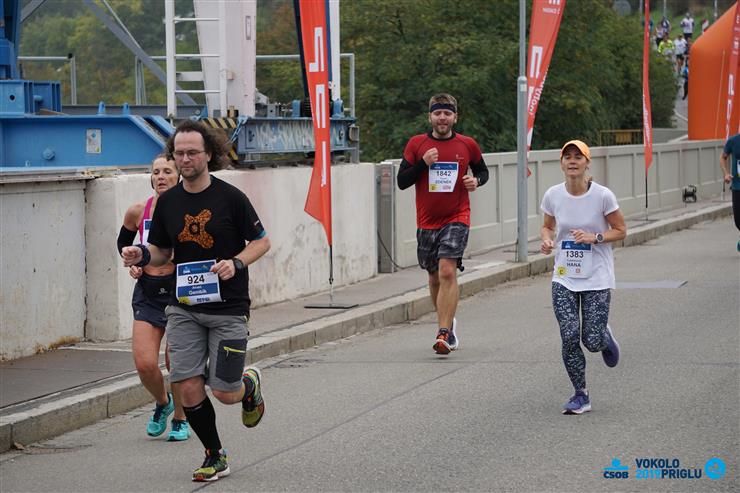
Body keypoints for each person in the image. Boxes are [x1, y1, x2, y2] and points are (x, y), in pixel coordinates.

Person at [121, 120, 271, 482]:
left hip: (228, 308)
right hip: (184, 306)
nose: (185, 159)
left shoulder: (231, 198)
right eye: (179, 153)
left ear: (209, 155)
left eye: (192, 152)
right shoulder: (168, 203)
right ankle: (214, 455)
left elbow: (261, 242)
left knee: (224, 392)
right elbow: (162, 250)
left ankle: (248, 385)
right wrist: (142, 254)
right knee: (187, 384)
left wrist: (236, 263)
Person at [397, 93, 489, 355]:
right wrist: (423, 164)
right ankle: (448, 323)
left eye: (447, 113)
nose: (442, 118)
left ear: (455, 117)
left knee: (447, 270)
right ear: (430, 117)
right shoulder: (417, 144)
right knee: (434, 275)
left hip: (457, 217)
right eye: (437, 113)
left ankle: (443, 332)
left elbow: (482, 171)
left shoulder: (467, 145)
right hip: (427, 222)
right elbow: (402, 181)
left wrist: (476, 181)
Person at [539, 140, 627, 414]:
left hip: (597, 276)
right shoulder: (553, 194)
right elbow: (547, 226)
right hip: (564, 275)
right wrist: (547, 240)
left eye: (578, 157)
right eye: (568, 157)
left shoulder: (603, 196)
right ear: (561, 163)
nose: (573, 161)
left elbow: (621, 230)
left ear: (587, 163)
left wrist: (595, 237)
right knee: (568, 336)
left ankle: (604, 338)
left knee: (591, 340)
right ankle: (581, 394)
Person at [117, 155, 190, 441]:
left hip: (179, 291)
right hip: (148, 291)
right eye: (156, 171)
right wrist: (132, 261)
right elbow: (124, 243)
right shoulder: (138, 211)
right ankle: (163, 402)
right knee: (145, 364)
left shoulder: (191, 212)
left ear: (179, 176)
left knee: (176, 362)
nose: (161, 176)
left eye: (167, 171)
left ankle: (181, 418)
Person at [720, 134, 740, 251]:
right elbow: (723, 157)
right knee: (738, 220)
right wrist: (726, 173)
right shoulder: (733, 141)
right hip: (737, 186)